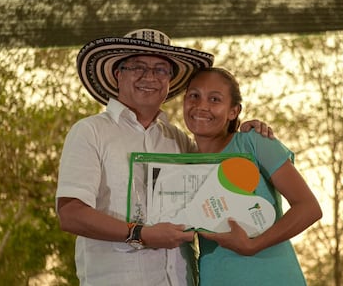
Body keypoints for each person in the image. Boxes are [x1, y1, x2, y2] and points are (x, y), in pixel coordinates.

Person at [56, 29, 273, 286]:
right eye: (138, 67)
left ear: (169, 80)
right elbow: (70, 213)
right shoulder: (91, 131)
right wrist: (141, 234)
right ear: (118, 74)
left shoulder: (179, 140)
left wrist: (242, 131)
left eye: (160, 69)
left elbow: (218, 185)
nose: (149, 77)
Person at [182, 67, 323, 286]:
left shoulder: (254, 142)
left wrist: (253, 245)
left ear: (233, 111)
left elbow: (309, 208)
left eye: (215, 99)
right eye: (194, 95)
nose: (202, 106)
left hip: (272, 277)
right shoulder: (182, 163)